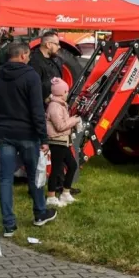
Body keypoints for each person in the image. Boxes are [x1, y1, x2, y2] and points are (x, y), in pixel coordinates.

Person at [0, 39, 54, 237]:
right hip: (28, 134)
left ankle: (9, 224)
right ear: (23, 55)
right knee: (34, 175)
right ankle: (40, 213)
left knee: (5, 179)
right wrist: (43, 137)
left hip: (5, 133)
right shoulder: (30, 76)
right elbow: (37, 109)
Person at [45, 76, 80, 208]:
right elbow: (60, 126)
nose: (67, 94)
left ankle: (65, 193)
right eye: (66, 91)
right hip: (57, 141)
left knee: (72, 165)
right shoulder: (55, 107)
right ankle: (51, 196)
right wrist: (74, 120)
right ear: (60, 93)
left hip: (63, 141)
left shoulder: (60, 105)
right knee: (56, 169)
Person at [30, 31, 64, 101]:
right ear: (48, 45)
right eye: (57, 44)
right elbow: (34, 87)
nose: (59, 47)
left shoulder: (56, 60)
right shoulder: (34, 62)